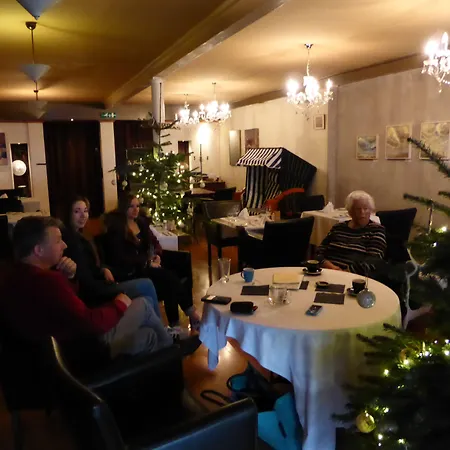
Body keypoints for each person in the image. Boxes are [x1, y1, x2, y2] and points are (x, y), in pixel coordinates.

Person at [0, 216, 172, 360]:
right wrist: (119, 304)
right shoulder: (46, 280)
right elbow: (90, 323)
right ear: (38, 250)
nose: (64, 245)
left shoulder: (13, 275)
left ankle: (167, 356)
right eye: (58, 241)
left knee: (149, 334)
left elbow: (65, 306)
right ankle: (173, 355)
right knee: (144, 304)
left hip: (53, 357)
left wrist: (69, 278)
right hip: (82, 351)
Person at [102, 194, 201, 330]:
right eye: (131, 207)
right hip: (136, 268)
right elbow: (122, 258)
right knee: (170, 278)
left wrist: (157, 255)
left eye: (137, 206)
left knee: (182, 261)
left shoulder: (141, 223)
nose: (135, 210)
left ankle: (184, 317)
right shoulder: (118, 228)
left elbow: (154, 242)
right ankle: (187, 317)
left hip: (149, 259)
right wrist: (147, 262)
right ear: (124, 208)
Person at [62, 196, 160, 316]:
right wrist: (111, 284)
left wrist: (102, 269)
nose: (83, 215)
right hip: (95, 291)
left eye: (85, 211)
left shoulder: (83, 236)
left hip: (102, 280)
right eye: (77, 211)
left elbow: (92, 267)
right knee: (147, 285)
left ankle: (159, 327)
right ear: (68, 214)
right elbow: (85, 279)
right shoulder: (70, 241)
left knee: (148, 298)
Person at [316, 191, 386, 275]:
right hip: (327, 272)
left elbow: (373, 262)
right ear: (350, 212)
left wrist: (345, 273)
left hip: (354, 277)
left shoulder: (376, 230)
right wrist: (331, 267)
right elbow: (319, 252)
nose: (362, 213)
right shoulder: (338, 227)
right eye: (358, 209)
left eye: (365, 209)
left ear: (370, 211)